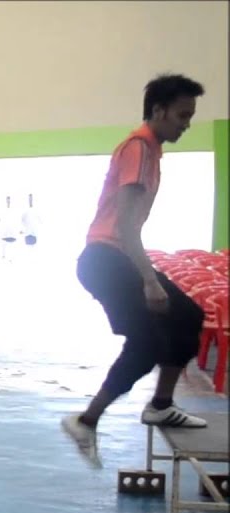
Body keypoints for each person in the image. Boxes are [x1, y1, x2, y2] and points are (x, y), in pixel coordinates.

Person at [61, 74, 207, 468]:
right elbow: (126, 226)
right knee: (147, 344)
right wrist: (148, 279)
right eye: (182, 115)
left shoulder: (151, 150)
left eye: (190, 116)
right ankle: (86, 421)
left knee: (189, 316)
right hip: (106, 259)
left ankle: (160, 404)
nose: (186, 124)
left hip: (114, 258)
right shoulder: (139, 148)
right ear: (158, 111)